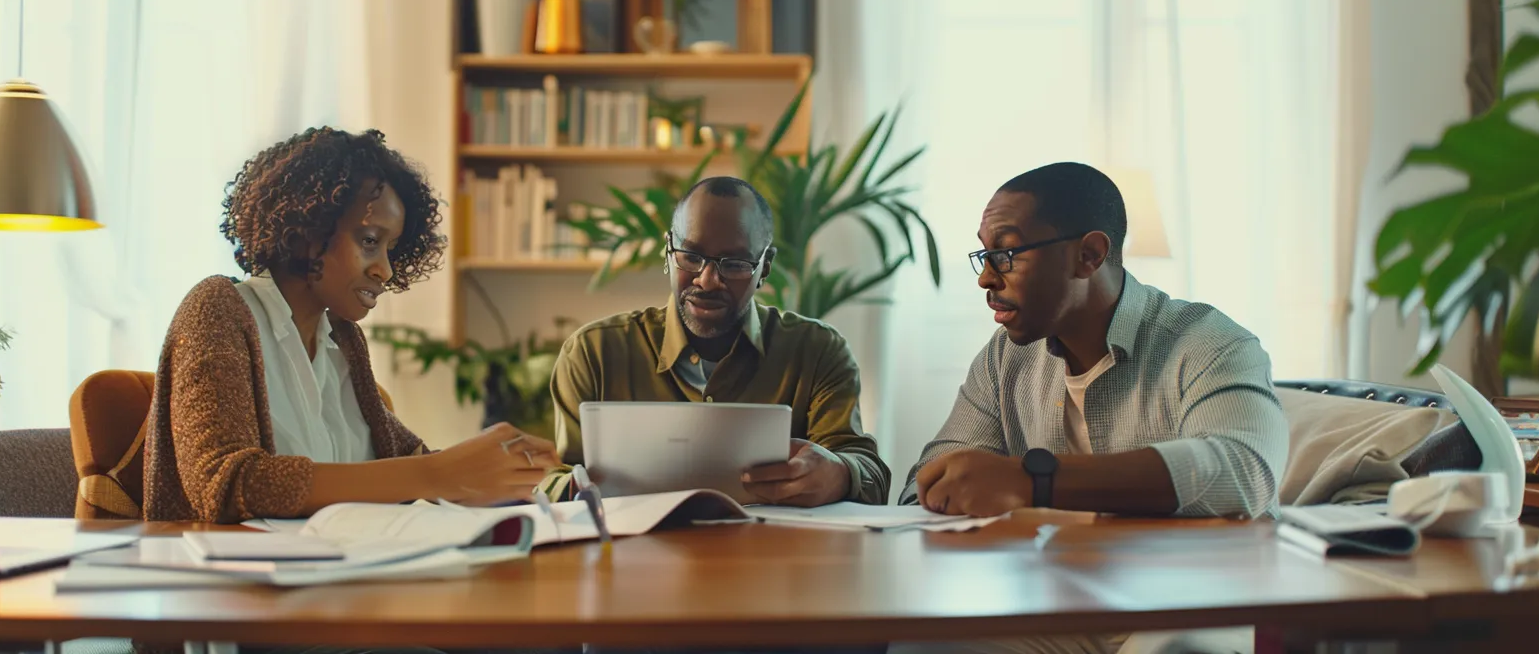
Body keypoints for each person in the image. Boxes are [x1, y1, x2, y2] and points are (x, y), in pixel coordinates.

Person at [889, 161, 1286, 654]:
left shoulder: (1210, 344)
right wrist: (946, 489)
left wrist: (1035, 482)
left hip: (1191, 599)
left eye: (1007, 253)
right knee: (918, 645)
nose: (986, 278)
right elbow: (927, 482)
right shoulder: (1004, 356)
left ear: (1089, 254)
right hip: (1056, 600)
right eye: (985, 255)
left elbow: (1243, 472)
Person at [142, 127, 561, 526]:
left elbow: (409, 458)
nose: (385, 269)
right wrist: (438, 474)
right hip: (229, 590)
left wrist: (512, 475)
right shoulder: (219, 309)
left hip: (336, 581)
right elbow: (225, 484)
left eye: (391, 249)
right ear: (308, 230)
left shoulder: (341, 341)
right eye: (369, 241)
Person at [545, 176, 891, 506]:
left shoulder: (817, 352)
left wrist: (841, 474)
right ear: (669, 251)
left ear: (765, 267)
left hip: (775, 558)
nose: (707, 280)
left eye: (735, 263)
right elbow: (551, 480)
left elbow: (871, 474)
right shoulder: (594, 354)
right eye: (691, 257)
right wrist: (574, 487)